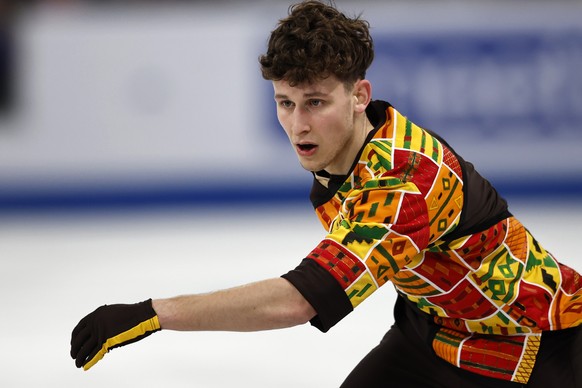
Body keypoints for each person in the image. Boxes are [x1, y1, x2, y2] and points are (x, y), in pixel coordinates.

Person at [70, 1, 582, 386]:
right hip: (434, 332)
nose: (298, 124)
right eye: (285, 102)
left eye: (315, 102)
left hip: (532, 347)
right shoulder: (350, 146)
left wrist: (154, 313)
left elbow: (299, 301)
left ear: (359, 95)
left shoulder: (402, 182)